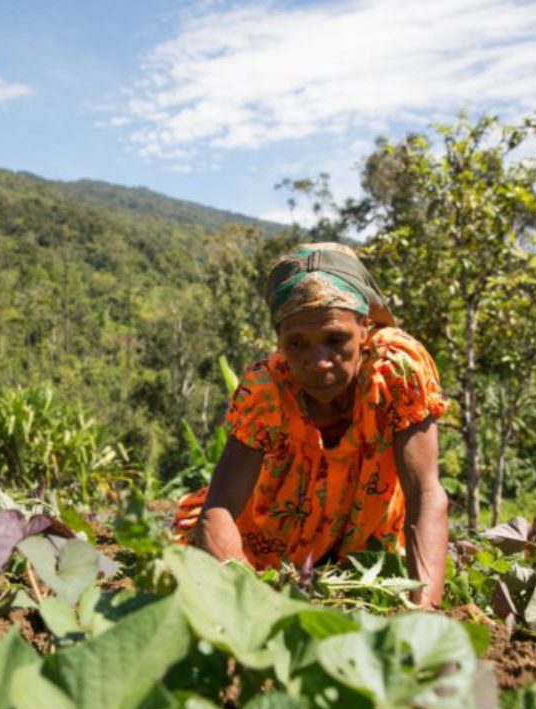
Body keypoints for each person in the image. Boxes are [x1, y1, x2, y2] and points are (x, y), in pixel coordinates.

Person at [173, 242, 450, 607]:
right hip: (270, 560)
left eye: (336, 340)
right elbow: (219, 509)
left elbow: (425, 493)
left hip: (365, 554)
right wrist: (255, 601)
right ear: (279, 341)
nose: (318, 361)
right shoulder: (266, 391)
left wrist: (424, 611)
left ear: (364, 328)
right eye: (297, 344)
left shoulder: (395, 371)